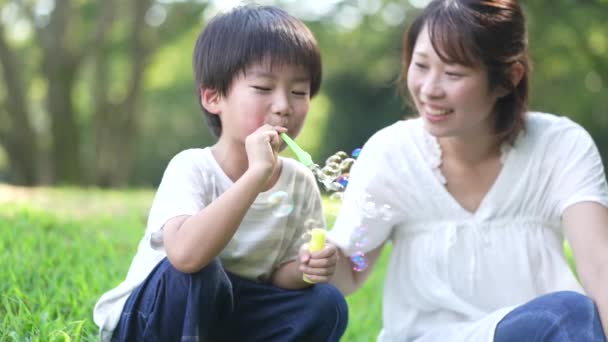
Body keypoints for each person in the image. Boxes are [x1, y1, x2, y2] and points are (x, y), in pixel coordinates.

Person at [326, 0, 608, 341]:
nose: (430, 89)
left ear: (507, 78)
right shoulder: (392, 153)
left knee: (574, 313)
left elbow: (600, 267)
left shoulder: (560, 146)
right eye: (421, 65)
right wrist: (323, 259)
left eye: (453, 73)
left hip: (538, 332)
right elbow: (350, 276)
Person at [93, 5, 347, 341]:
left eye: (299, 92)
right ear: (214, 97)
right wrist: (255, 176)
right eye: (263, 88)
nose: (284, 105)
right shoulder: (192, 167)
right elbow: (185, 256)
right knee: (201, 272)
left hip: (229, 318)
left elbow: (277, 281)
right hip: (155, 316)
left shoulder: (299, 183)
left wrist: (304, 269)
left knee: (326, 303)